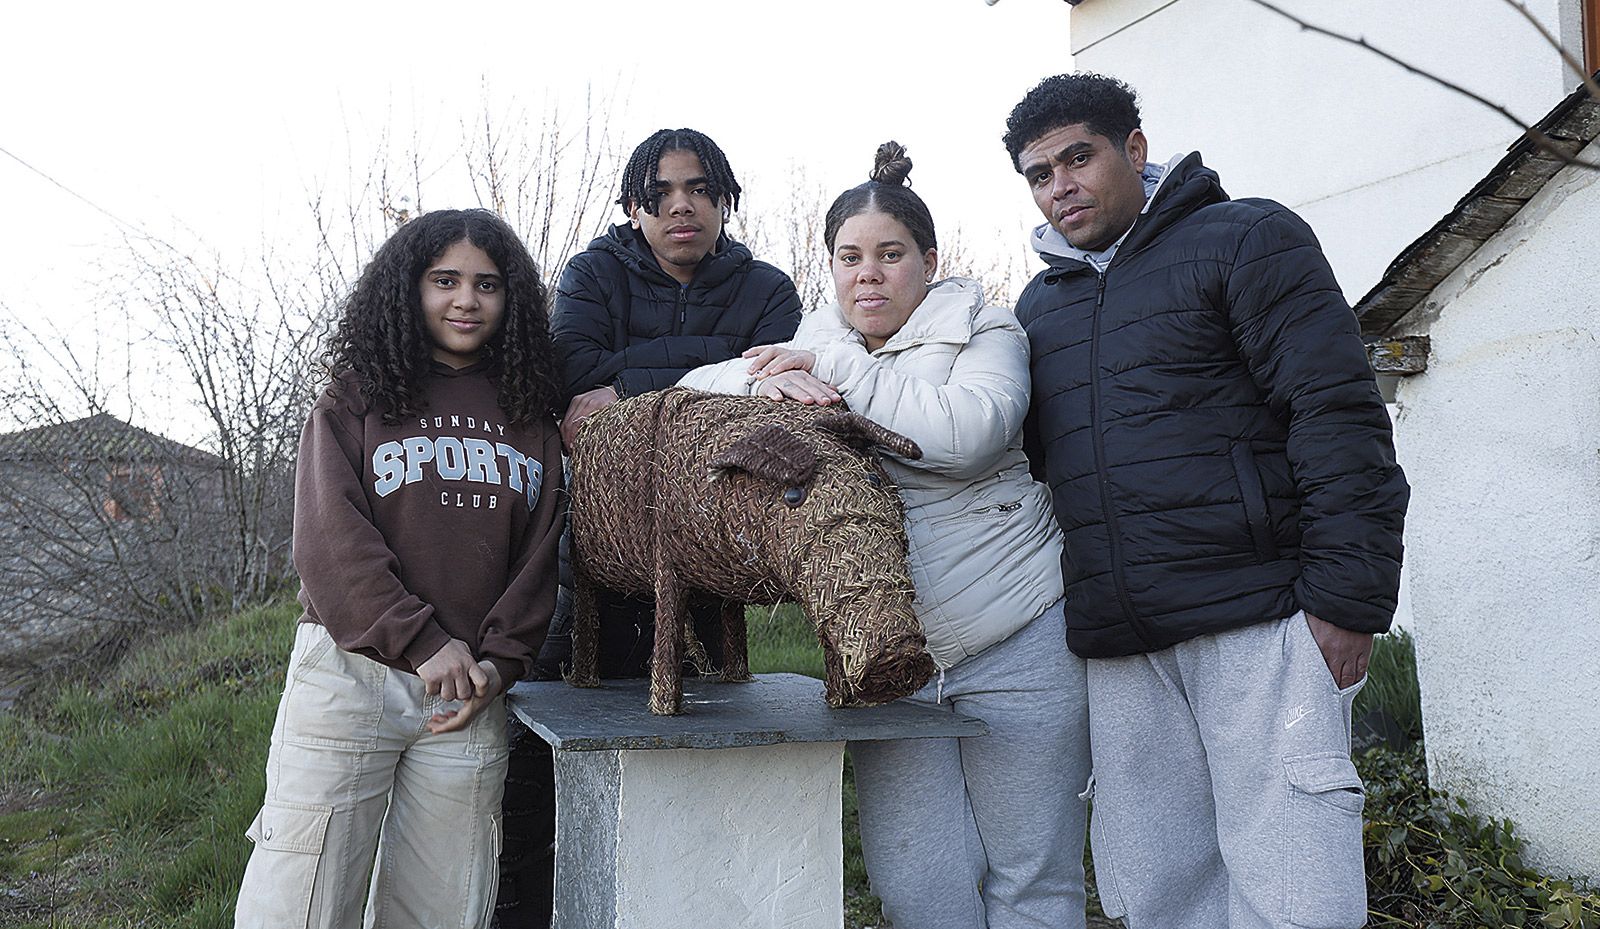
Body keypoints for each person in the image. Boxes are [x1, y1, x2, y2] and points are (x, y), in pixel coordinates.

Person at [1003, 73, 1410, 929]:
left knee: (1297, 889)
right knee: (1158, 891)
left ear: (1136, 150)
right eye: (1040, 174)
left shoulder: (1247, 238)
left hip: (1256, 619)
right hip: (1124, 645)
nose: (1061, 186)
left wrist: (1347, 601)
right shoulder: (1041, 305)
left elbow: (1338, 415)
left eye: (1079, 157)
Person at [680, 142, 1091, 929]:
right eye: (849, 256)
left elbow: (966, 432)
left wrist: (837, 367)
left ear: (929, 261)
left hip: (1019, 635)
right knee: (916, 887)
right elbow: (698, 392)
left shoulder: (985, 328)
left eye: (890, 254)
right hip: (885, 655)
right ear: (830, 267)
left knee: (1032, 878)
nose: (867, 273)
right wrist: (763, 379)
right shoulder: (812, 341)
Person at [494, 128, 802, 928]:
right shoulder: (593, 274)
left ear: (725, 199)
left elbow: (764, 394)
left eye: (700, 189)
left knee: (697, 769)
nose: (681, 207)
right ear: (634, 207)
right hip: (582, 556)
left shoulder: (767, 287)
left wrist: (630, 379)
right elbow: (573, 380)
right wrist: (714, 372)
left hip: (709, 560)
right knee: (541, 767)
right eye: (660, 194)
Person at [234, 209, 564, 929]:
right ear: (408, 289)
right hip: (351, 677)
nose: (466, 300)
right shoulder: (358, 396)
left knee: (443, 907)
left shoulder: (529, 415)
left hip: (467, 697)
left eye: (487, 284)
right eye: (444, 280)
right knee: (301, 898)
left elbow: (540, 555)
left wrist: (499, 664)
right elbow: (329, 536)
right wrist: (421, 641)